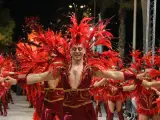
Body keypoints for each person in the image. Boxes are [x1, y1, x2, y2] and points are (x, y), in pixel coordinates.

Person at [4, 14, 145, 120]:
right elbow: (39, 76)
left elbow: (113, 75)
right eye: (74, 49)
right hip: (67, 112)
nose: (77, 51)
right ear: (69, 51)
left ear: (84, 51)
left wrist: (134, 76)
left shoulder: (91, 68)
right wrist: (16, 80)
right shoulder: (62, 69)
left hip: (86, 112)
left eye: (79, 49)